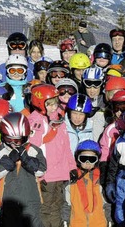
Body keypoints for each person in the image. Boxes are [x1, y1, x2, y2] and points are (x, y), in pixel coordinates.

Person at [27, 84, 76, 227]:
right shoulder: (35, 122)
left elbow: (66, 147)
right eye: (49, 104)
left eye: (55, 103)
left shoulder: (59, 120)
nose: (53, 107)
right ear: (39, 103)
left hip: (60, 174)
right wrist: (38, 173)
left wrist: (71, 167)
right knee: (44, 208)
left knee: (57, 207)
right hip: (46, 175)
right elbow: (32, 150)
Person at [0, 112, 47, 226]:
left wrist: (26, 159)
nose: (14, 144)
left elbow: (41, 171)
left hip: (31, 202)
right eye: (9, 139)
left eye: (18, 140)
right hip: (9, 201)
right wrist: (10, 160)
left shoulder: (33, 150)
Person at [63, 140, 112, 226]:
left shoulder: (101, 180)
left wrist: (109, 219)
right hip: (77, 223)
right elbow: (66, 204)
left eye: (92, 159)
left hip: (98, 223)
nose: (87, 163)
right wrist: (65, 221)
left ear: (97, 160)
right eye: (83, 159)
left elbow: (106, 204)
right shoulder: (71, 181)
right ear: (77, 159)